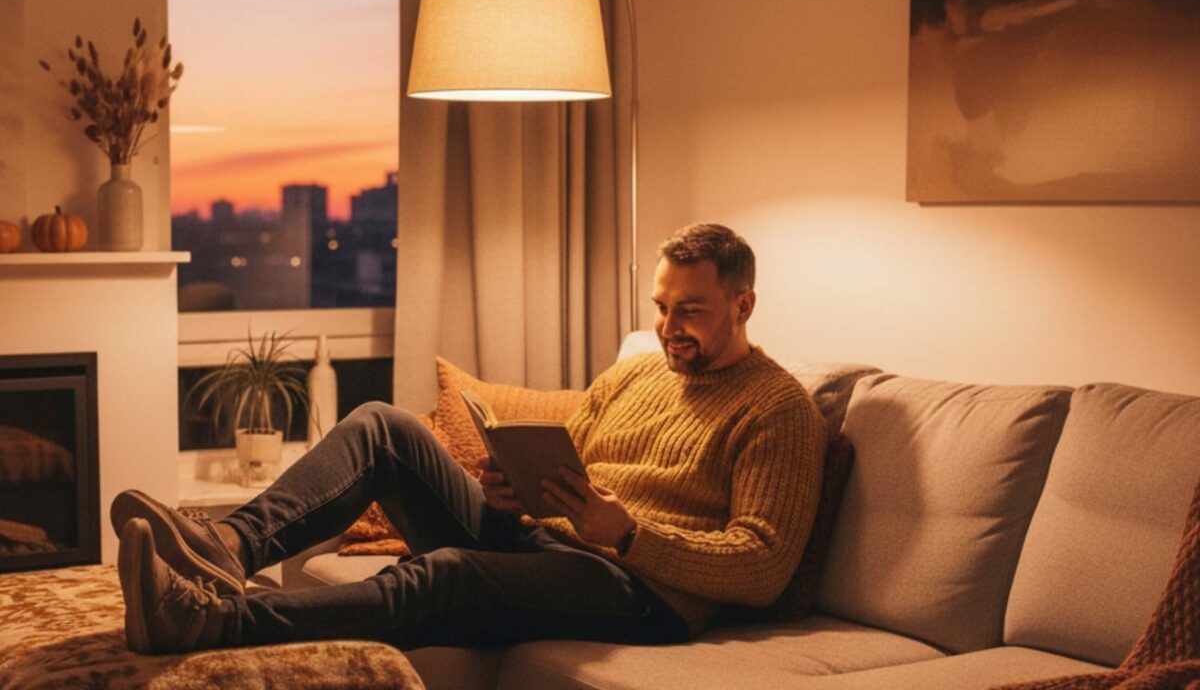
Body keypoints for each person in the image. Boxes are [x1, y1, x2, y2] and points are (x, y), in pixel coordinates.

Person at [113, 223, 828, 654]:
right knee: (380, 426)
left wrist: (629, 533)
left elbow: (762, 565)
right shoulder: (637, 373)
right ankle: (227, 548)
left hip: (642, 589)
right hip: (556, 542)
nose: (670, 327)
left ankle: (210, 622)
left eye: (692, 312)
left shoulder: (778, 410)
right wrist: (513, 490)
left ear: (744, 306)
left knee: (447, 573)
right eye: (663, 308)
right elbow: (565, 468)